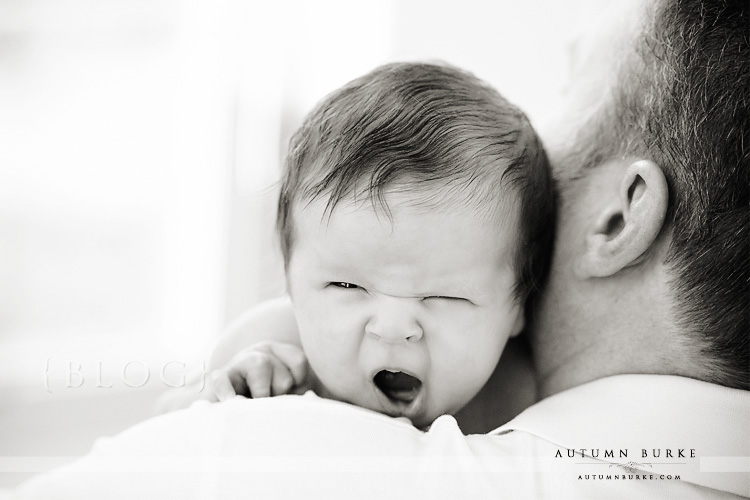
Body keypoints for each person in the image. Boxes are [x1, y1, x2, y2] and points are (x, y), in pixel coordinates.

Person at [12, 0, 749, 498]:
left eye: (572, 85)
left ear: (618, 219)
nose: (394, 324)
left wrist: (218, 429)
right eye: (343, 287)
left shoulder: (252, 459)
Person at [205, 61, 555, 430]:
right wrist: (227, 396)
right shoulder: (267, 347)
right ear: (290, 279)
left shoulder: (525, 395)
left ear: (519, 306)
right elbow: (169, 430)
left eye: (446, 296)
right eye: (346, 286)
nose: (392, 328)